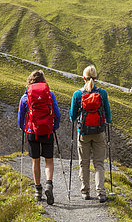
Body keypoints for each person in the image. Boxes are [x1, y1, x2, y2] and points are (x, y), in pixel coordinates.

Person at [69, 65, 112, 203]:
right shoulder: (102, 93)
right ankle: (101, 193)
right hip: (99, 132)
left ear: (84, 77)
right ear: (96, 78)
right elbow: (108, 115)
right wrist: (107, 121)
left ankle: (85, 191)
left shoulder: (77, 94)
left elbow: (72, 116)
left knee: (84, 163)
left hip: (83, 133)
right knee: (99, 163)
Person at [18, 70, 61, 204]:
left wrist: (24, 128)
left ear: (30, 81)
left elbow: (20, 116)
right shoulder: (50, 94)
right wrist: (54, 127)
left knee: (35, 161)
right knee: (49, 160)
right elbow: (57, 114)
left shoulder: (26, 96)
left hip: (32, 131)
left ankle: (38, 190)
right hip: (47, 131)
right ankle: (49, 184)